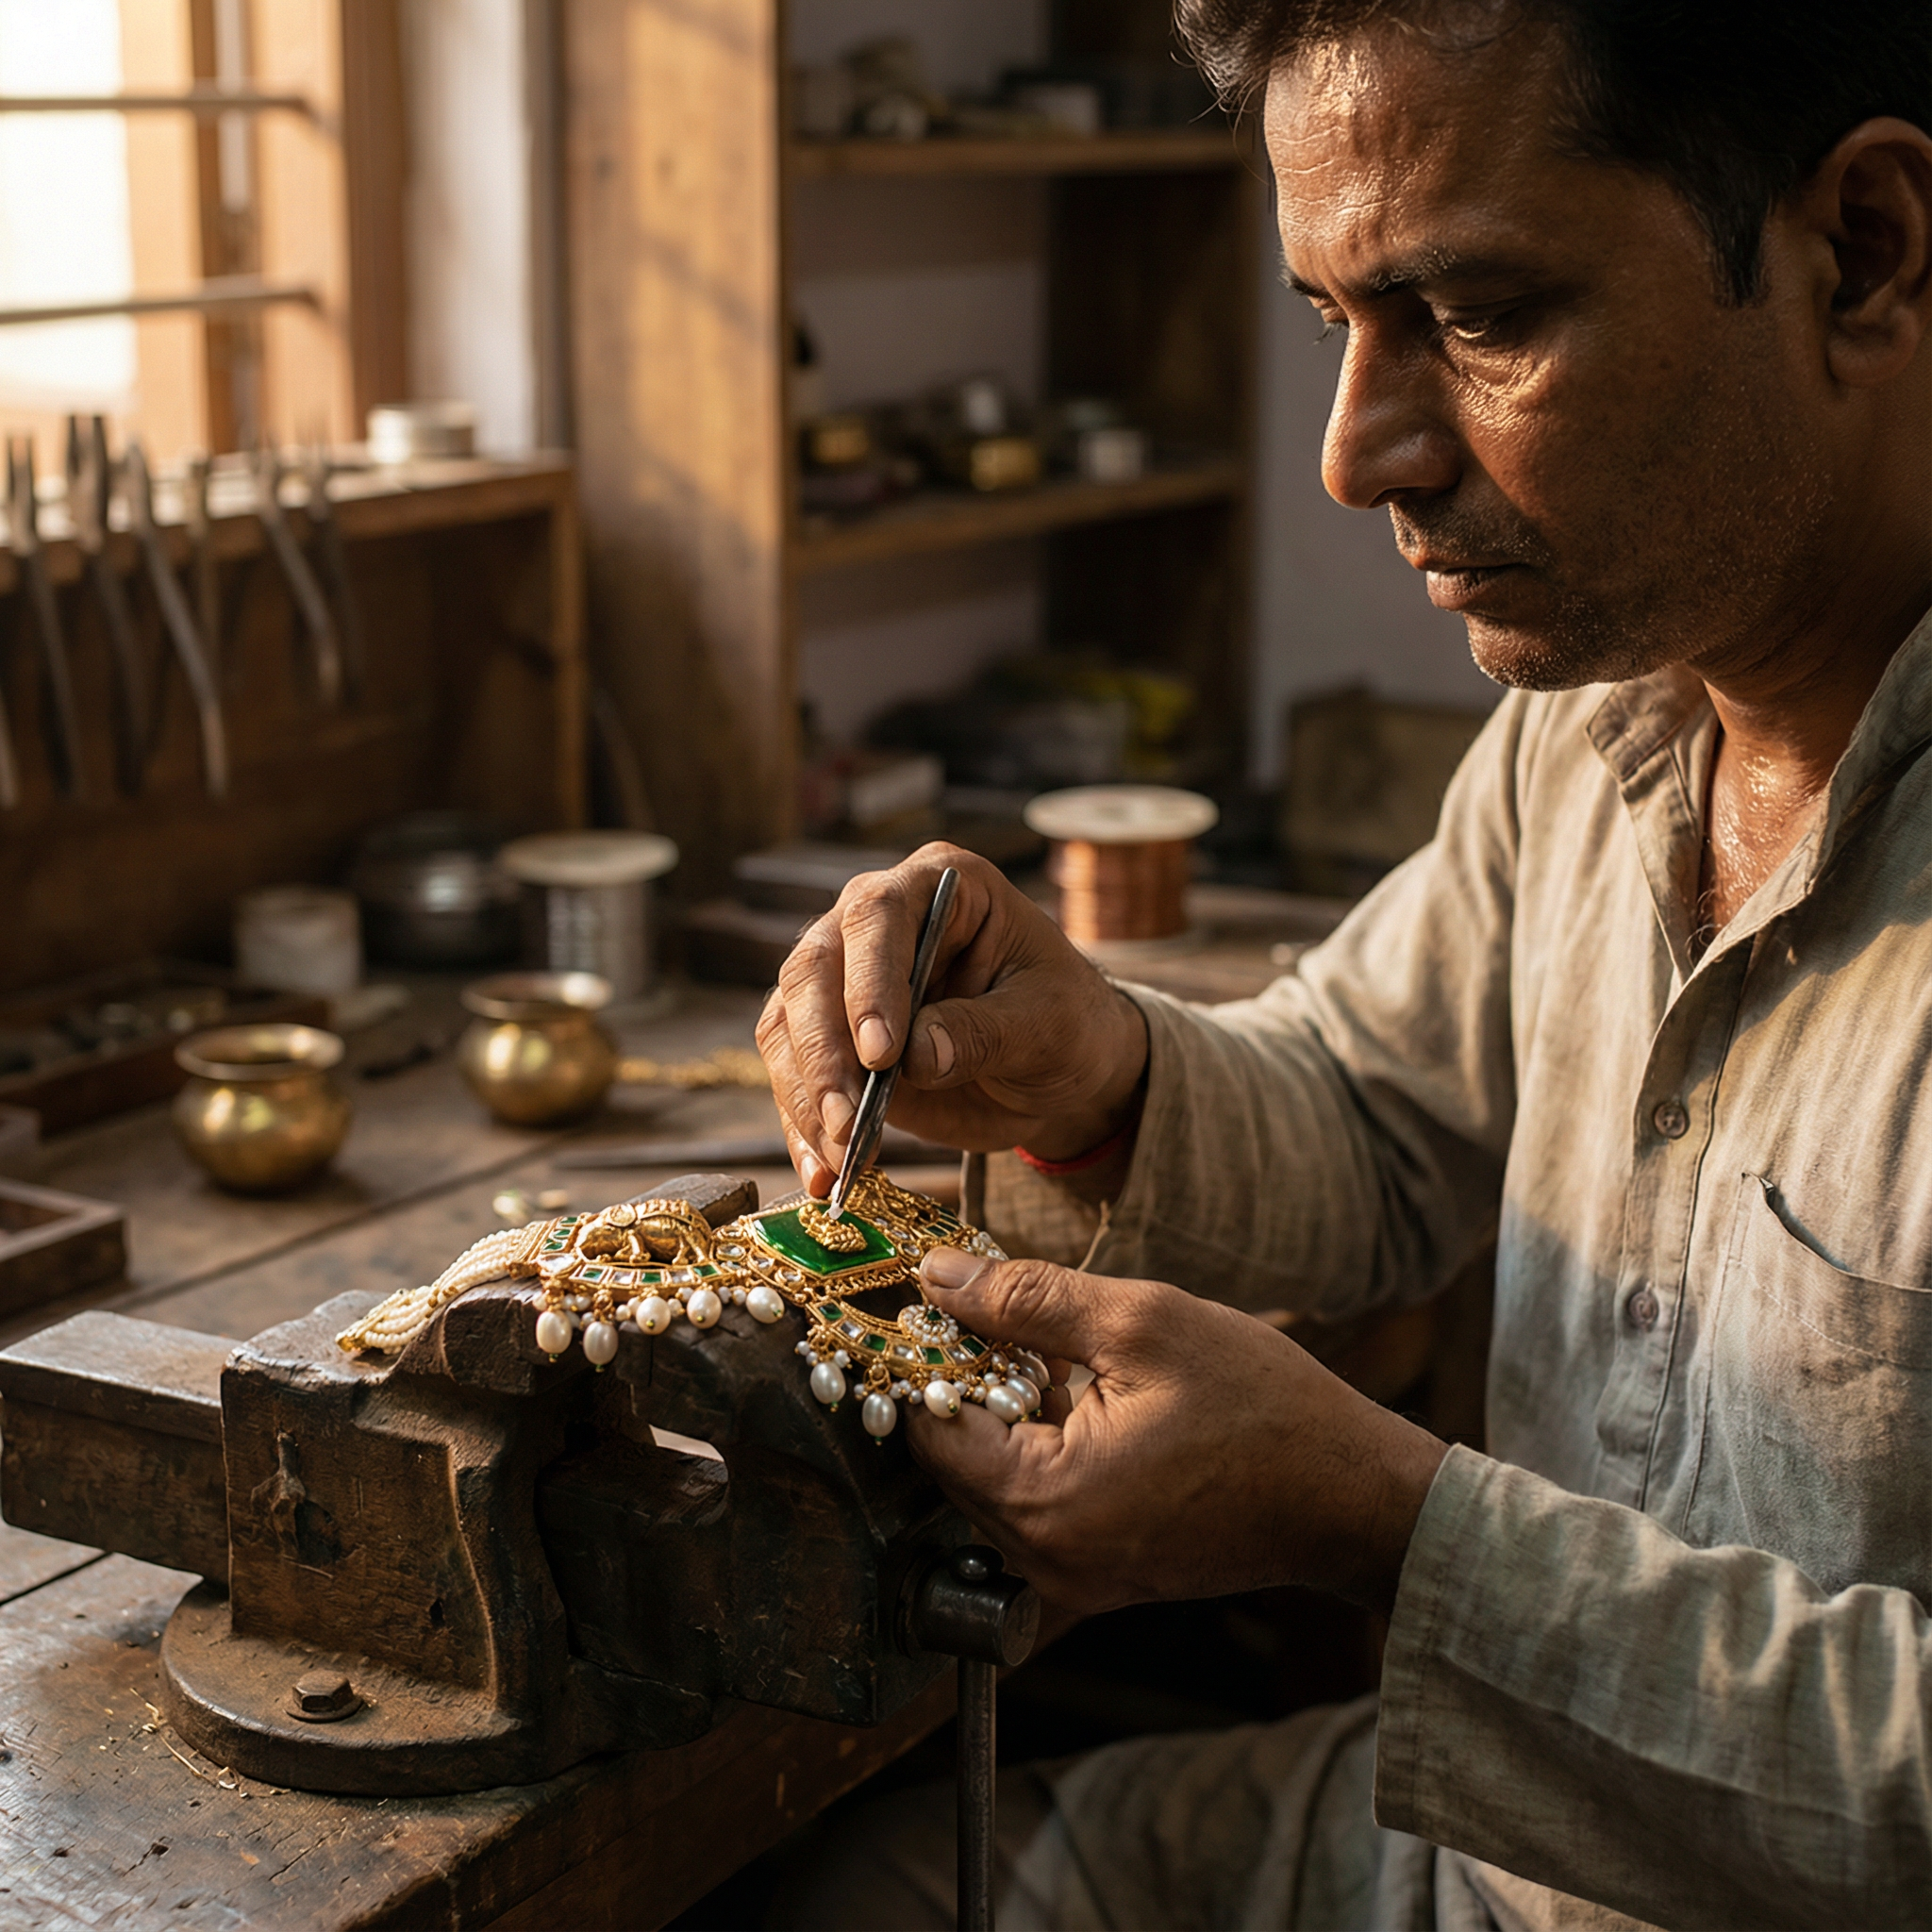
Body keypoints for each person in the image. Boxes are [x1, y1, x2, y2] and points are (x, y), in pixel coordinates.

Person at [757, 1, 1932, 1924]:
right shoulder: (1612, 706)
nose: (1353, 454)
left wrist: (1386, 1528)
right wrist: (1101, 1074)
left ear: (1862, 248)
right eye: (1333, 322)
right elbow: (1376, 1108)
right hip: (1479, 1869)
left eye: (1476, 316)